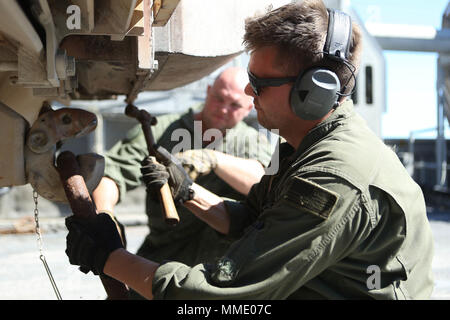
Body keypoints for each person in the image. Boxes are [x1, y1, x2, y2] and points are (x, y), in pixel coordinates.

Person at [65, 0, 434, 299]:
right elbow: (249, 220)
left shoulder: (332, 175)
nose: (247, 93)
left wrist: (108, 257)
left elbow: (222, 294)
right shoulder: (301, 145)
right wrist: (187, 190)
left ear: (314, 91)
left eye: (259, 83)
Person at [91, 66, 274, 271]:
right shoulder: (163, 130)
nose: (223, 109)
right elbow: (114, 172)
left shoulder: (249, 141)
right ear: (208, 91)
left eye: (234, 105)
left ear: (249, 108)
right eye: (219, 99)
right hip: (165, 250)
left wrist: (213, 159)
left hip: (223, 260)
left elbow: (262, 181)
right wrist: (105, 214)